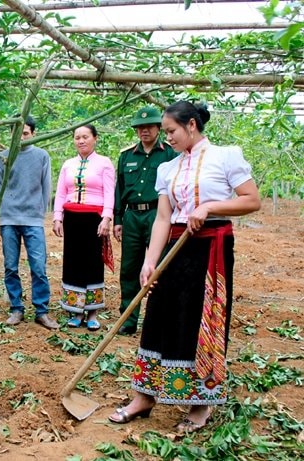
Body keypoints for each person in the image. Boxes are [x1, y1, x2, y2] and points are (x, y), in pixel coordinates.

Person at [108, 101, 260, 432]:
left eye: (172, 131)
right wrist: (150, 262)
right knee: (158, 316)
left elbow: (251, 199)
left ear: (191, 125)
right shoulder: (169, 168)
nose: (168, 137)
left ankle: (199, 404)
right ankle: (144, 396)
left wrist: (210, 206)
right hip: (174, 248)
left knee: (199, 321)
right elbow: (163, 217)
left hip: (210, 250)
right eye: (165, 132)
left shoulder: (225, 156)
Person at [113, 107, 177, 335]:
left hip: (158, 215)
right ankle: (127, 321)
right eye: (140, 128)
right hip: (132, 217)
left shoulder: (170, 154)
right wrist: (118, 219)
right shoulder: (126, 156)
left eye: (149, 127)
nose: (144, 131)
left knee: (159, 267)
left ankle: (157, 321)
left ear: (158, 128)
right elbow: (119, 189)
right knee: (130, 268)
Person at [0, 116, 58, 330]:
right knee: (10, 266)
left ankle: (42, 310)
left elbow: (45, 185)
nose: (20, 138)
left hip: (33, 219)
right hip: (9, 218)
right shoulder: (2, 157)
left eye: (25, 133)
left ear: (33, 134)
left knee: (38, 266)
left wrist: (39, 212)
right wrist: (2, 213)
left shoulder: (42, 156)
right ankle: (16, 308)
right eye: (16, 133)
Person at [52, 124, 115, 331]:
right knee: (73, 262)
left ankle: (93, 312)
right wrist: (57, 217)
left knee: (92, 263)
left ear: (95, 138)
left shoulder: (104, 163)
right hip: (72, 218)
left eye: (85, 136)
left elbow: (109, 193)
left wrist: (106, 218)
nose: (81, 141)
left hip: (94, 219)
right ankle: (75, 311)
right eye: (77, 137)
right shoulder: (68, 164)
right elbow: (61, 193)